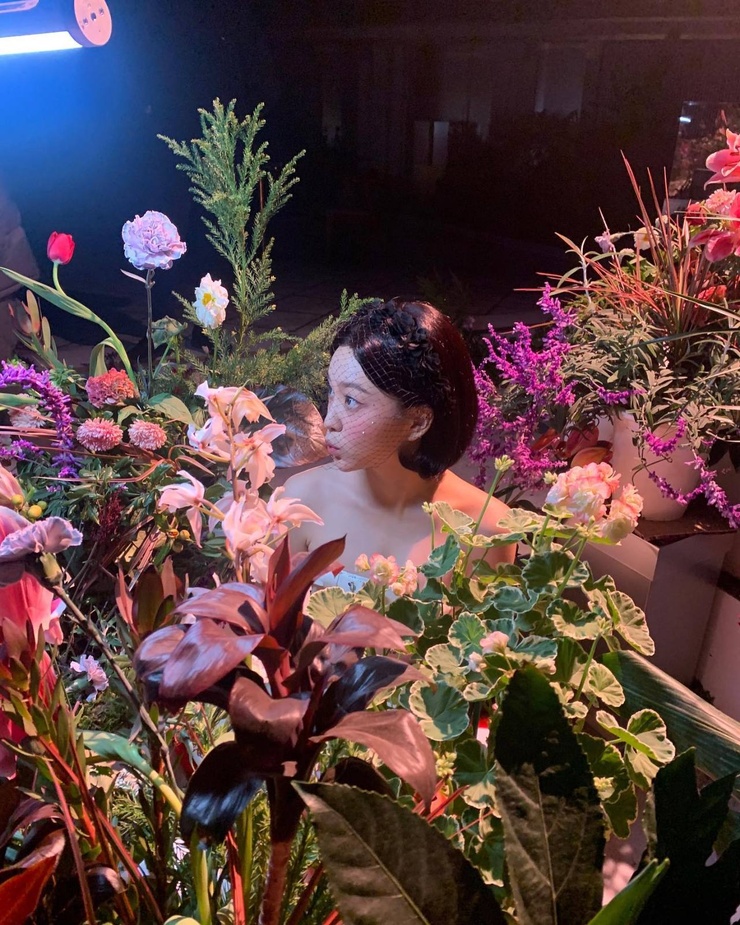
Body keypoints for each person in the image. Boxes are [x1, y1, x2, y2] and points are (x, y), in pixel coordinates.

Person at [285, 298, 515, 579]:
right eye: (332, 392)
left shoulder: (485, 528)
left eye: (351, 400)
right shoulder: (301, 501)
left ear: (418, 422)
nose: (328, 422)